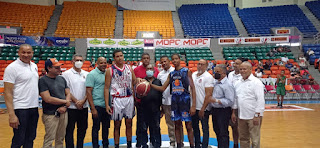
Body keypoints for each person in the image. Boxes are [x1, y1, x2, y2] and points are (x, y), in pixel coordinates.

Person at [150, 53, 196, 148]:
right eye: (173, 59)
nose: (174, 61)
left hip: (185, 101)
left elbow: (193, 88)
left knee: (188, 126)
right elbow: (163, 88)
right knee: (177, 125)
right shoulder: (171, 74)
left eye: (176, 59)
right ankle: (179, 145)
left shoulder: (186, 71)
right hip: (174, 102)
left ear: (179, 59)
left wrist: (193, 105)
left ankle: (192, 145)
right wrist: (149, 84)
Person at [3, 44, 39, 148]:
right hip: (20, 109)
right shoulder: (12, 68)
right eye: (23, 52)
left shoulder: (34, 66)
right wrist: (12, 115)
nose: (26, 55)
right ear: (19, 53)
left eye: (29, 52)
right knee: (19, 139)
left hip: (33, 107)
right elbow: (7, 92)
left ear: (32, 53)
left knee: (30, 138)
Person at [104, 49, 141, 148]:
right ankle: (116, 145)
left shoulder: (129, 68)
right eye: (117, 56)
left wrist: (139, 80)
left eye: (121, 55)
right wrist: (107, 104)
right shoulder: (110, 70)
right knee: (117, 125)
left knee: (129, 123)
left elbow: (134, 81)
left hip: (129, 98)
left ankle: (129, 145)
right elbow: (106, 87)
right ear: (114, 58)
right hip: (117, 99)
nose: (120, 58)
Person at [39, 58, 72, 148]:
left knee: (60, 138)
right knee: (49, 138)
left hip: (63, 112)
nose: (59, 69)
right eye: (56, 67)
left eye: (59, 67)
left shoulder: (62, 79)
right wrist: (65, 101)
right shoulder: (43, 80)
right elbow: (47, 98)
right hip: (50, 114)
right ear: (49, 68)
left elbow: (68, 92)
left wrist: (65, 105)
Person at [232, 61, 265, 148]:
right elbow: (236, 98)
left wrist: (257, 115)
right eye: (241, 69)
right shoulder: (237, 82)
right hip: (241, 115)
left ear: (250, 69)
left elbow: (260, 100)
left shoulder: (256, 82)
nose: (242, 71)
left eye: (244, 69)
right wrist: (234, 112)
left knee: (255, 139)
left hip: (253, 116)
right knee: (243, 138)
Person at [202, 64, 235, 148]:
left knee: (223, 132)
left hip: (223, 111)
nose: (215, 73)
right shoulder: (215, 82)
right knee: (217, 130)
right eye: (214, 71)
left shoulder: (228, 85)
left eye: (217, 72)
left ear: (224, 73)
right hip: (215, 110)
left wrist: (216, 100)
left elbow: (230, 101)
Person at [63, 55, 89, 148]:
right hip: (71, 107)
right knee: (69, 130)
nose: (79, 62)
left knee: (82, 129)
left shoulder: (86, 74)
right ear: (72, 61)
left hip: (84, 107)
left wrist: (83, 101)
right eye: (77, 60)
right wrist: (76, 101)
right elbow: (67, 90)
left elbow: (89, 90)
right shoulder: (66, 74)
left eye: (81, 60)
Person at [133, 53, 159, 148]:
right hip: (141, 103)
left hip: (153, 104)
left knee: (153, 125)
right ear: (141, 59)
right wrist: (135, 98)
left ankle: (153, 141)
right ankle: (139, 141)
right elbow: (133, 83)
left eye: (148, 58)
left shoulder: (155, 70)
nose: (146, 60)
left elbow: (158, 84)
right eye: (144, 58)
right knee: (141, 125)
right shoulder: (136, 70)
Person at [157, 55, 183, 148]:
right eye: (162, 62)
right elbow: (160, 90)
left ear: (169, 61)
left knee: (178, 123)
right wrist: (160, 105)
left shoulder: (175, 71)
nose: (164, 63)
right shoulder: (160, 74)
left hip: (177, 102)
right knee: (169, 124)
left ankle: (180, 142)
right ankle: (172, 141)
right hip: (166, 102)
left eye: (165, 61)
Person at [86, 57, 110, 148]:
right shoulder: (92, 74)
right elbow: (88, 92)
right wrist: (92, 108)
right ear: (96, 63)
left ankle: (105, 145)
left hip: (106, 105)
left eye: (105, 62)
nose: (103, 64)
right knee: (96, 127)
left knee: (106, 127)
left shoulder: (108, 73)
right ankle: (95, 145)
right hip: (97, 105)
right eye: (101, 63)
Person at [138, 64, 163, 148]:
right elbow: (137, 95)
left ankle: (157, 144)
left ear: (154, 71)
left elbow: (161, 95)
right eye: (147, 69)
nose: (149, 70)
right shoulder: (141, 81)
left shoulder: (158, 81)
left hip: (155, 109)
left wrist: (162, 108)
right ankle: (144, 144)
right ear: (145, 71)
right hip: (144, 108)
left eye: (151, 69)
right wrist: (140, 94)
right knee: (144, 128)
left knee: (156, 127)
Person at [192, 59, 215, 148]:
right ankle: (197, 144)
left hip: (203, 108)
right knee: (195, 127)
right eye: (199, 64)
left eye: (202, 64)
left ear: (206, 66)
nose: (200, 66)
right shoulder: (193, 74)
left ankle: (204, 145)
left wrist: (203, 109)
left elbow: (209, 95)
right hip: (194, 106)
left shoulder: (208, 77)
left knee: (205, 128)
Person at [227, 58, 243, 148]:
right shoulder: (230, 74)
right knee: (233, 126)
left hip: (241, 104)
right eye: (234, 63)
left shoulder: (243, 76)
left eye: (237, 63)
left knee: (242, 127)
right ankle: (235, 144)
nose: (235, 65)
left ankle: (244, 143)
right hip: (231, 104)